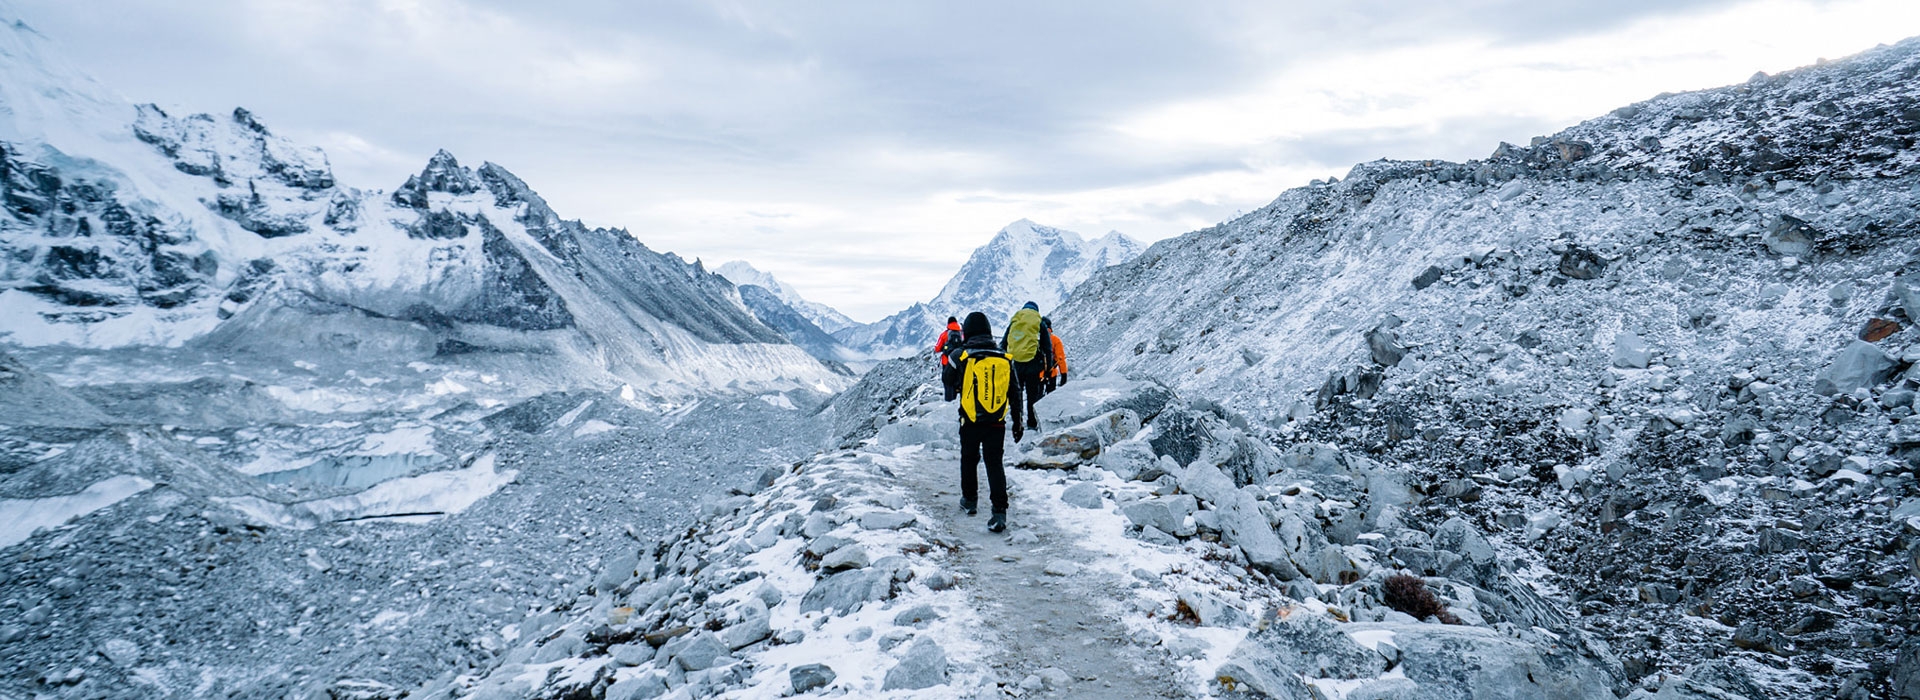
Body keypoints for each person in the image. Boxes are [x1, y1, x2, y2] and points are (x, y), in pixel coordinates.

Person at [947, 311, 1022, 532]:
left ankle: (969, 501)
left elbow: (947, 380)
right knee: (994, 463)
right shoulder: (1003, 357)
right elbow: (1015, 392)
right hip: (997, 421)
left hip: (969, 419)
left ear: (966, 332)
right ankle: (999, 513)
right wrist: (1018, 422)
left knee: (969, 459)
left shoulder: (961, 355)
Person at [1000, 301, 1050, 431]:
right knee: (1032, 394)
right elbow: (1047, 348)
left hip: (1016, 364)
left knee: (1017, 393)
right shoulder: (1039, 322)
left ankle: (1018, 420)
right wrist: (1048, 369)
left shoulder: (1015, 320)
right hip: (1033, 364)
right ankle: (1032, 423)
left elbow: (1003, 344)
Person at [935, 316, 963, 401]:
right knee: (957, 379)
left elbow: (937, 348)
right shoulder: (961, 333)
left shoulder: (944, 334)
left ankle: (949, 399)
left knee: (947, 380)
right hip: (959, 361)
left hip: (946, 361)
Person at [1042, 317, 1068, 392]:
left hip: (1035, 374)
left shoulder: (1034, 339)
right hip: (1051, 373)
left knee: (1036, 399)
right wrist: (1064, 375)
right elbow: (1060, 358)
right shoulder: (1055, 340)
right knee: (1050, 398)